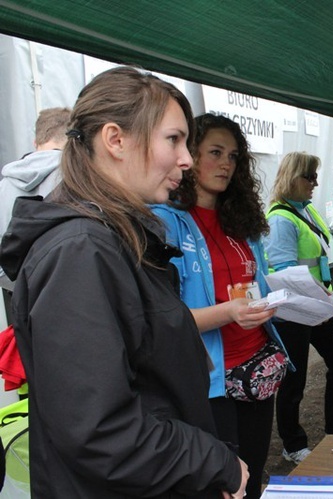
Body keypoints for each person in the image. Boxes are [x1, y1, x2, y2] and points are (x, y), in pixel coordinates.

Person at [0, 67, 247, 498]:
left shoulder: (117, 237)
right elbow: (99, 430)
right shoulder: (80, 251)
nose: (187, 159)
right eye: (173, 139)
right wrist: (212, 462)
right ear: (116, 140)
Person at [152, 113, 289, 499]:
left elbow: (255, 284)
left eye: (233, 156)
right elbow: (163, 321)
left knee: (255, 472)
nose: (226, 164)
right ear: (187, 155)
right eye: (214, 152)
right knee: (224, 485)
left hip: (256, 371)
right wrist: (229, 313)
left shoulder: (239, 220)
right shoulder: (164, 222)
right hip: (209, 381)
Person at [265, 151, 333, 465]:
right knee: (294, 381)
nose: (315, 183)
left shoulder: (305, 212)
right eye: (309, 176)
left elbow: (318, 264)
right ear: (292, 178)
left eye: (315, 176)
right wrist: (327, 299)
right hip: (293, 312)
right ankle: (292, 444)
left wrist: (327, 300)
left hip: (317, 308)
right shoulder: (281, 218)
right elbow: (286, 273)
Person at [0, 107, 71, 291]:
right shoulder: (76, 178)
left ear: (35, 142)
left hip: (15, 290)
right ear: (71, 140)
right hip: (61, 286)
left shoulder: (5, 184)